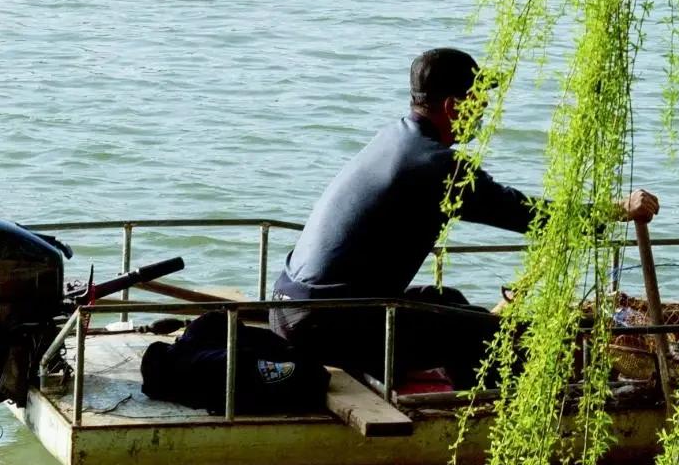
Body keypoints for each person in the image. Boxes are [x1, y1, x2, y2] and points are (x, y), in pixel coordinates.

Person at [271, 47, 659, 389]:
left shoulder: (393, 138)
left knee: (447, 301)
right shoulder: (436, 166)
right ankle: (496, 420)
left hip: (289, 309)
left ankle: (456, 393)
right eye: (480, 100)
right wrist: (616, 209)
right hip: (327, 325)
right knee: (506, 338)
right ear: (452, 107)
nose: (485, 110)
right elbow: (529, 215)